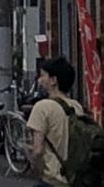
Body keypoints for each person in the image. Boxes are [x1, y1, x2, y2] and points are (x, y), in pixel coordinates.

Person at [27, 56, 83, 187]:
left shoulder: (42, 107)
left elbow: (38, 150)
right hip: (74, 179)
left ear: (53, 80)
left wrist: (36, 168)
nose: (39, 80)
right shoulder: (76, 107)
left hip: (52, 180)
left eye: (42, 76)